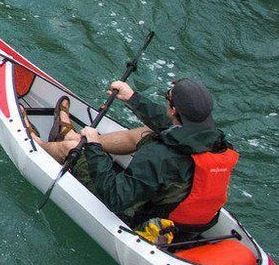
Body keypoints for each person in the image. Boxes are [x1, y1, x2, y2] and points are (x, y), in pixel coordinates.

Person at [35, 77, 237, 231]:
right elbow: (167, 122)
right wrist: (132, 98)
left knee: (71, 150)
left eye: (167, 99)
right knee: (147, 133)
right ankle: (76, 137)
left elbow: (115, 197)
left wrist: (94, 147)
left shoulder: (159, 156)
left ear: (174, 109)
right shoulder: (213, 139)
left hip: (138, 218)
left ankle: (40, 144)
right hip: (189, 225)